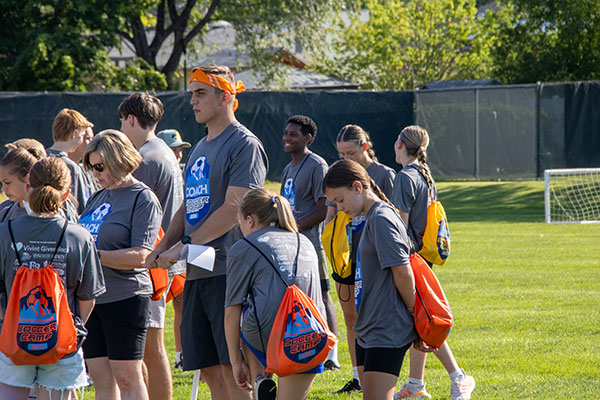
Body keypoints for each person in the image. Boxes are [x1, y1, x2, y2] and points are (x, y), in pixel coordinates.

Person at [147, 65, 267, 400]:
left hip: (230, 270)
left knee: (235, 371)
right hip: (199, 271)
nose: (192, 101)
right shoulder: (200, 147)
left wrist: (183, 247)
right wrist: (164, 246)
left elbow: (236, 206)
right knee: (209, 369)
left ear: (225, 96)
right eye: (191, 94)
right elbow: (188, 207)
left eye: (200, 93)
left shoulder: (244, 144)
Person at [0, 157, 105, 400]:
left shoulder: (5, 233)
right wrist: (71, 326)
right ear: (67, 193)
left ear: (28, 185)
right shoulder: (80, 237)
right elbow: (88, 298)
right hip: (61, 342)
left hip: (13, 338)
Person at [323, 159, 419, 400]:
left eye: (340, 200)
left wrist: (414, 313)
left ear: (357, 187)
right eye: (334, 203)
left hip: (386, 327)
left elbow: (402, 271)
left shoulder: (381, 218)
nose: (339, 207)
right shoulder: (367, 216)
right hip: (368, 327)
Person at [391, 125, 475, 400]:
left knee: (426, 321)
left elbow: (399, 227)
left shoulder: (405, 177)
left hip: (411, 258)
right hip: (422, 256)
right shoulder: (424, 175)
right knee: (420, 321)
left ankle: (458, 377)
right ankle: (416, 384)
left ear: (401, 144)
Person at [78, 130, 162, 400]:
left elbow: (142, 255)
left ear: (118, 159)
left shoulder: (143, 197)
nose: (95, 173)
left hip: (126, 297)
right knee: (101, 379)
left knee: (127, 377)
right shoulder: (96, 197)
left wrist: (92, 257)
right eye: (91, 166)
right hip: (92, 300)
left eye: (99, 166)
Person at [224, 189, 326, 400]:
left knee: (248, 316)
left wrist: (236, 362)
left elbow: (231, 312)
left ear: (249, 220)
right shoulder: (305, 241)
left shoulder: (244, 247)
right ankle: (265, 379)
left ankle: (261, 378)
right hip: (310, 334)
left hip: (265, 338)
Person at [118, 92, 186, 400]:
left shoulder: (146, 157)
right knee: (144, 347)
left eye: (122, 121)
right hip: (158, 257)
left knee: (150, 346)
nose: (121, 128)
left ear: (131, 119)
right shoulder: (162, 151)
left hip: (151, 261)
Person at [326, 124, 397, 394]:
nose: (347, 160)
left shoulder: (384, 175)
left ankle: (389, 378)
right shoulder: (340, 175)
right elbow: (332, 217)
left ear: (365, 147)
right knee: (352, 316)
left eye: (351, 153)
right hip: (348, 256)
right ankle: (358, 376)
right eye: (342, 155)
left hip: (375, 257)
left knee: (375, 316)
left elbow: (393, 216)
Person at [280, 115, 340, 371]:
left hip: (310, 244)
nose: (287, 138)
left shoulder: (317, 165)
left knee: (322, 294)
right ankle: (305, 348)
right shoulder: (287, 169)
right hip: (289, 244)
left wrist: (289, 226)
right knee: (295, 296)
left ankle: (331, 355)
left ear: (308, 138)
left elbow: (321, 210)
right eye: (286, 133)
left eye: (294, 134)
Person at [156, 128, 190, 370]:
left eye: (179, 150)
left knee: (182, 303)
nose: (178, 155)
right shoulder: (157, 171)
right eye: (174, 149)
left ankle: (181, 355)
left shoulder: (182, 173)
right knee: (157, 311)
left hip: (179, 248)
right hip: (161, 247)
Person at [0, 148, 78, 223]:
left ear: (28, 178)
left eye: (7, 182)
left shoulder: (62, 206)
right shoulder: (4, 212)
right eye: (1, 183)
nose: (3, 189)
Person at [47, 108, 95, 214]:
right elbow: (81, 207)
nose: (81, 140)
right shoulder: (70, 166)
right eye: (81, 136)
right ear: (74, 134)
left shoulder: (41, 158)